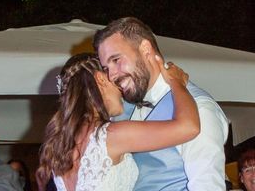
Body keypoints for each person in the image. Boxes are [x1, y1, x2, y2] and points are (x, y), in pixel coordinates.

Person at [94, 17, 229, 191]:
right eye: (106, 68)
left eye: (116, 60)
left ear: (145, 49)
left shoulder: (199, 108)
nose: (112, 75)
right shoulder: (122, 109)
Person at [36, 52, 199, 191]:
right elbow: (189, 127)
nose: (122, 91)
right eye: (116, 81)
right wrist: (177, 83)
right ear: (100, 79)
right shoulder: (110, 136)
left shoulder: (61, 146)